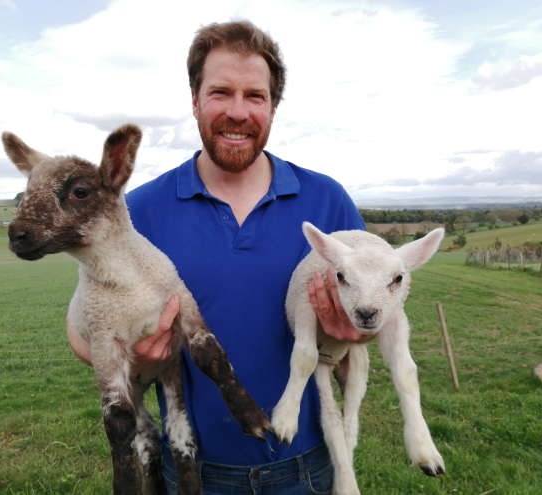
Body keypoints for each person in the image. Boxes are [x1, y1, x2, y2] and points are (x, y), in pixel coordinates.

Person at [68, 20, 366, 495]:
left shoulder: (328, 202)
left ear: (272, 106)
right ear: (195, 100)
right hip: (192, 474)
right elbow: (82, 328)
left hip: (307, 470)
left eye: (255, 96)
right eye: (221, 92)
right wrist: (137, 359)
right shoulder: (137, 210)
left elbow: (369, 320)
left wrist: (355, 335)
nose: (238, 111)